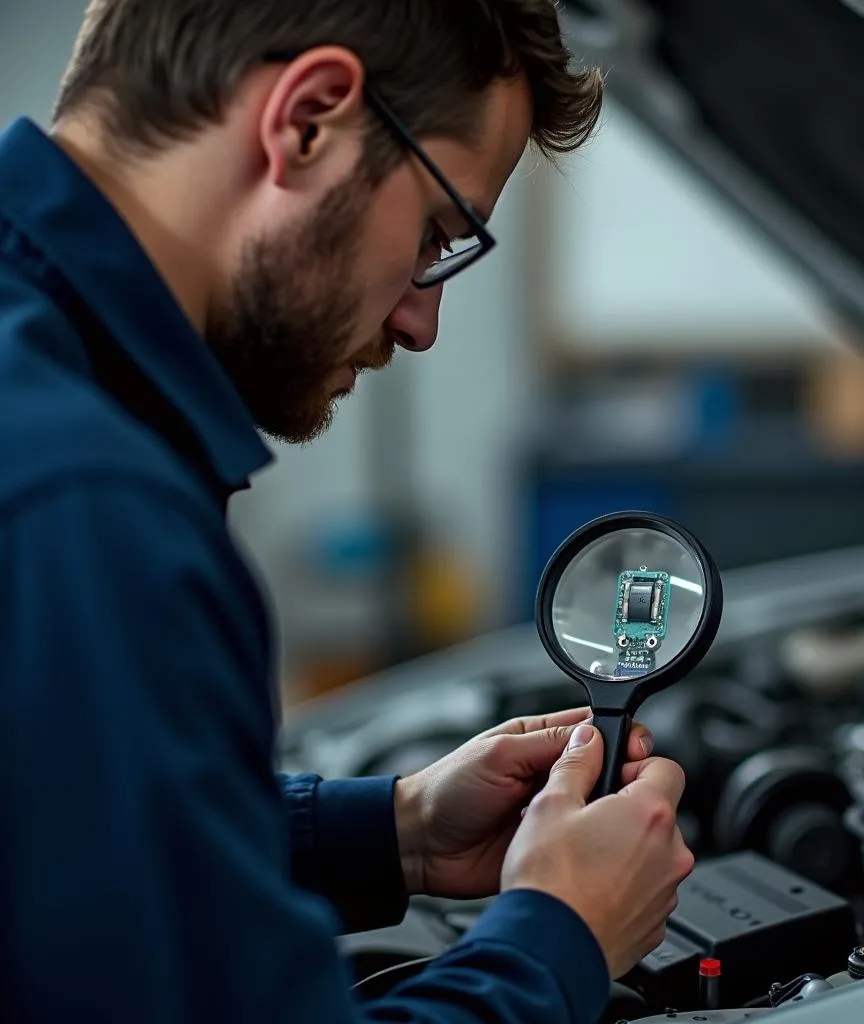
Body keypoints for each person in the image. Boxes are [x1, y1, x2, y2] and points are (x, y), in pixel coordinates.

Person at [0, 2, 695, 1022]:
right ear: (310, 119)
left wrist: (396, 832)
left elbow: (50, 837)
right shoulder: (86, 513)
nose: (420, 320)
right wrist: (557, 935)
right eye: (436, 235)